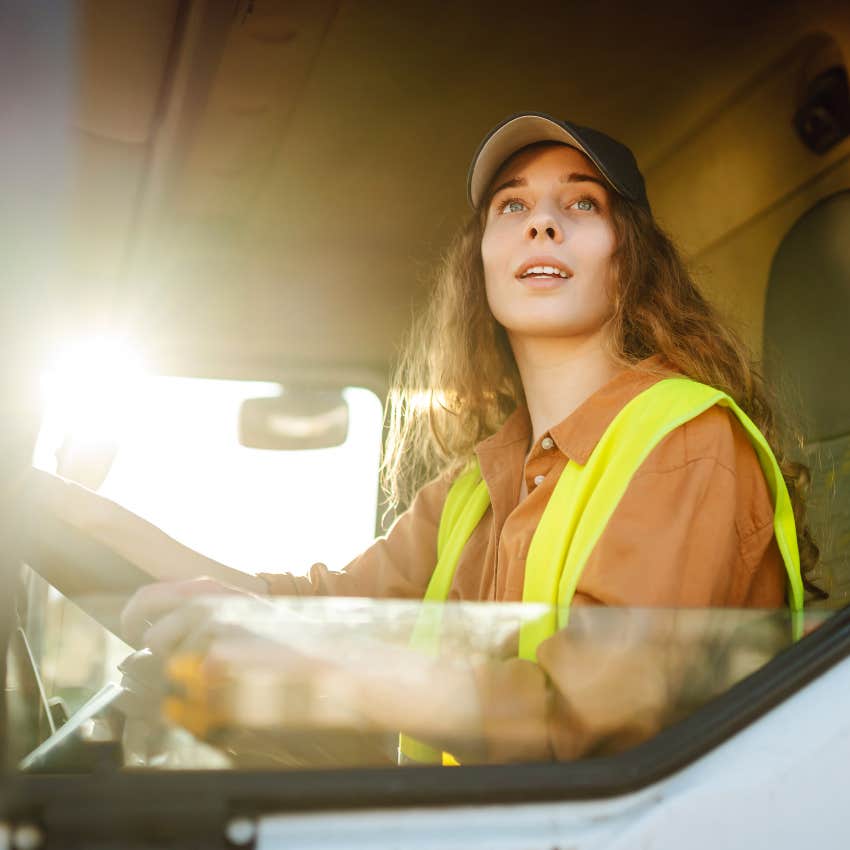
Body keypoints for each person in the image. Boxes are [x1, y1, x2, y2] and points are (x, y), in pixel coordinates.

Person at [111, 113, 820, 762]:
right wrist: (68, 510)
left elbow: (584, 725)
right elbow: (312, 605)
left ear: (629, 258)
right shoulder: (474, 489)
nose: (541, 223)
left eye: (581, 204)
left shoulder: (685, 443)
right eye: (512, 205)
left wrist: (313, 667)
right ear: (479, 263)